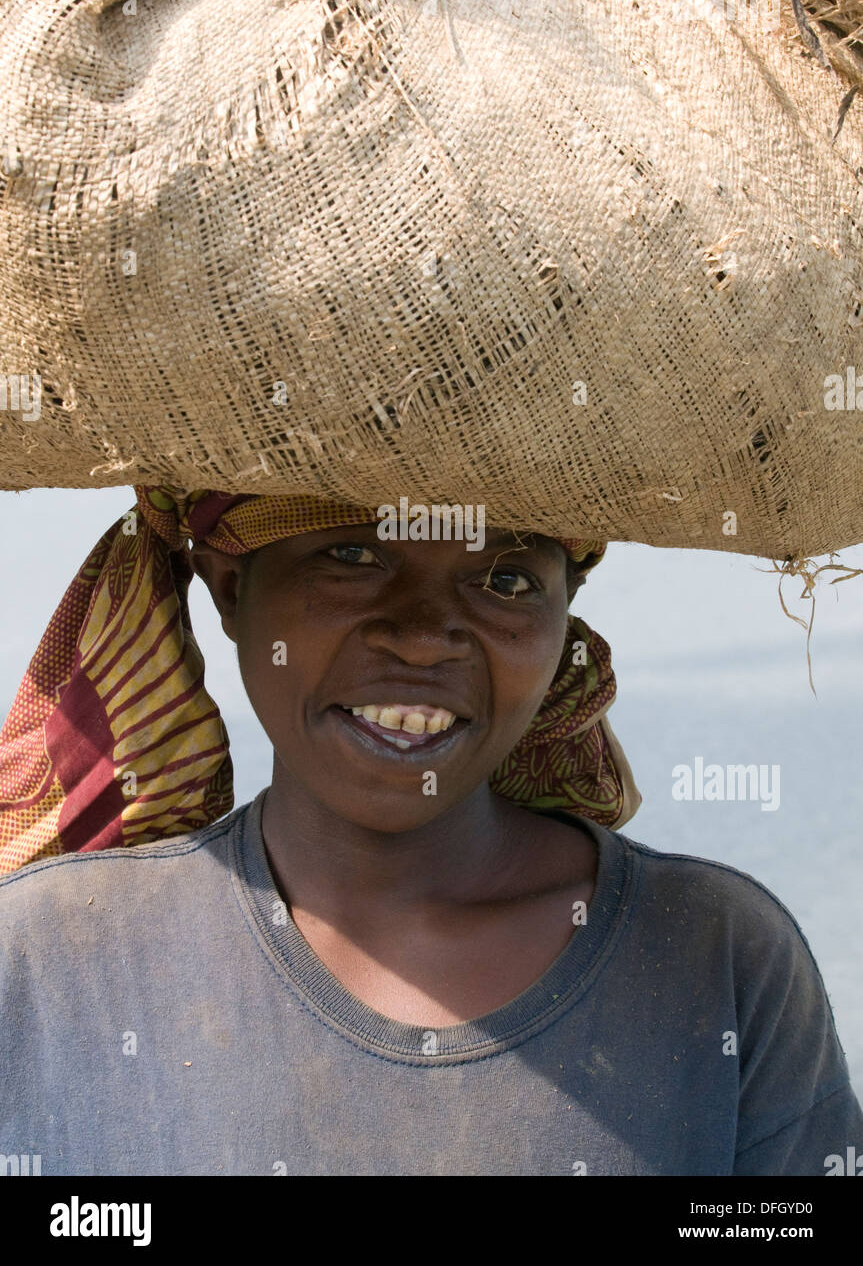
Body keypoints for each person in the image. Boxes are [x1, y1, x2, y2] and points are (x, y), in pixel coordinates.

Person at [0, 486, 860, 1176]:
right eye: (352, 556)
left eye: (507, 581)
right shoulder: (46, 957)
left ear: (564, 619)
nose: (421, 637)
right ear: (231, 587)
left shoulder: (715, 957)